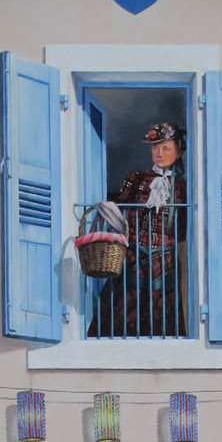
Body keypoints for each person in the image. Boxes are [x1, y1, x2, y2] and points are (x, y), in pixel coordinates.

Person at [87, 122, 188, 339]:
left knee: (161, 318)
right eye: (155, 148)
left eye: (166, 148)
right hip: (133, 256)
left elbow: (182, 231)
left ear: (178, 151)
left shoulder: (183, 187)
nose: (159, 153)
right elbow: (119, 213)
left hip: (165, 261)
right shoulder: (135, 179)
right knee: (120, 313)